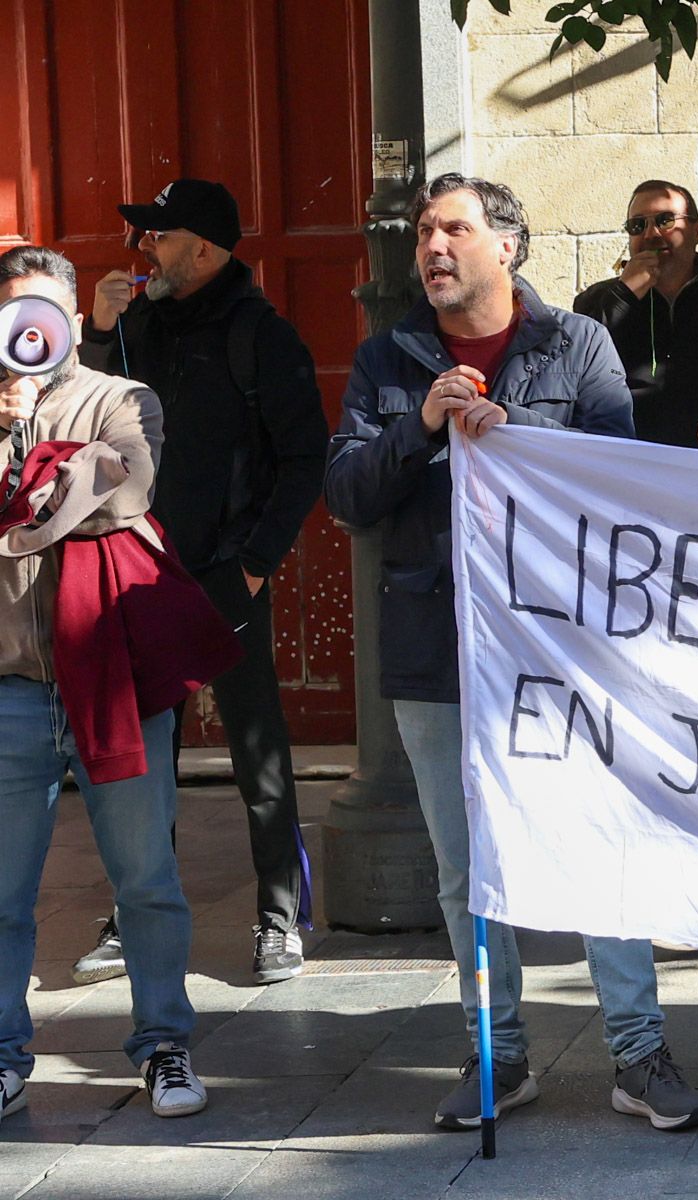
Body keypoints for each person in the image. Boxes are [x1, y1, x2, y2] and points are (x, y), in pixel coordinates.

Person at [325, 173, 698, 1132]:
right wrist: (420, 427)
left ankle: (638, 1050)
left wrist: (520, 433)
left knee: (598, 838)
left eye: (453, 228)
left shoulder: (576, 344)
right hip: (436, 648)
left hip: (563, 649)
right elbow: (347, 496)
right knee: (465, 866)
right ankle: (495, 1050)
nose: (432, 247)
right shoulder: (388, 359)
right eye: (423, 232)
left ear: (509, 246)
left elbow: (619, 477)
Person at [70, 179, 328, 987]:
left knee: (257, 751)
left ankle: (279, 915)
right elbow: (83, 418)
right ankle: (135, 913)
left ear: (206, 251)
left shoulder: (261, 335)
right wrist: (100, 333)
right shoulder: (138, 324)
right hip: (140, 573)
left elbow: (303, 458)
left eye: (161, 236)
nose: (145, 249)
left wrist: (253, 564)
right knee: (145, 754)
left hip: (226, 574)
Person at [0, 245, 215, 1120]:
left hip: (111, 679)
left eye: (47, 308)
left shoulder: (122, 398)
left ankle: (164, 1045)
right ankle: (6, 1055)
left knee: (146, 879)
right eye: (16, 311)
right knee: (5, 891)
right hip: (10, 685)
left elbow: (128, 491)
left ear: (72, 315)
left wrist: (39, 465)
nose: (32, 328)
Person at [573, 179, 698, 449]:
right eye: (638, 225)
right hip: (623, 462)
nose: (651, 234)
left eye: (665, 220)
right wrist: (624, 297)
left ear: (697, 231)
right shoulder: (594, 302)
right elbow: (574, 367)